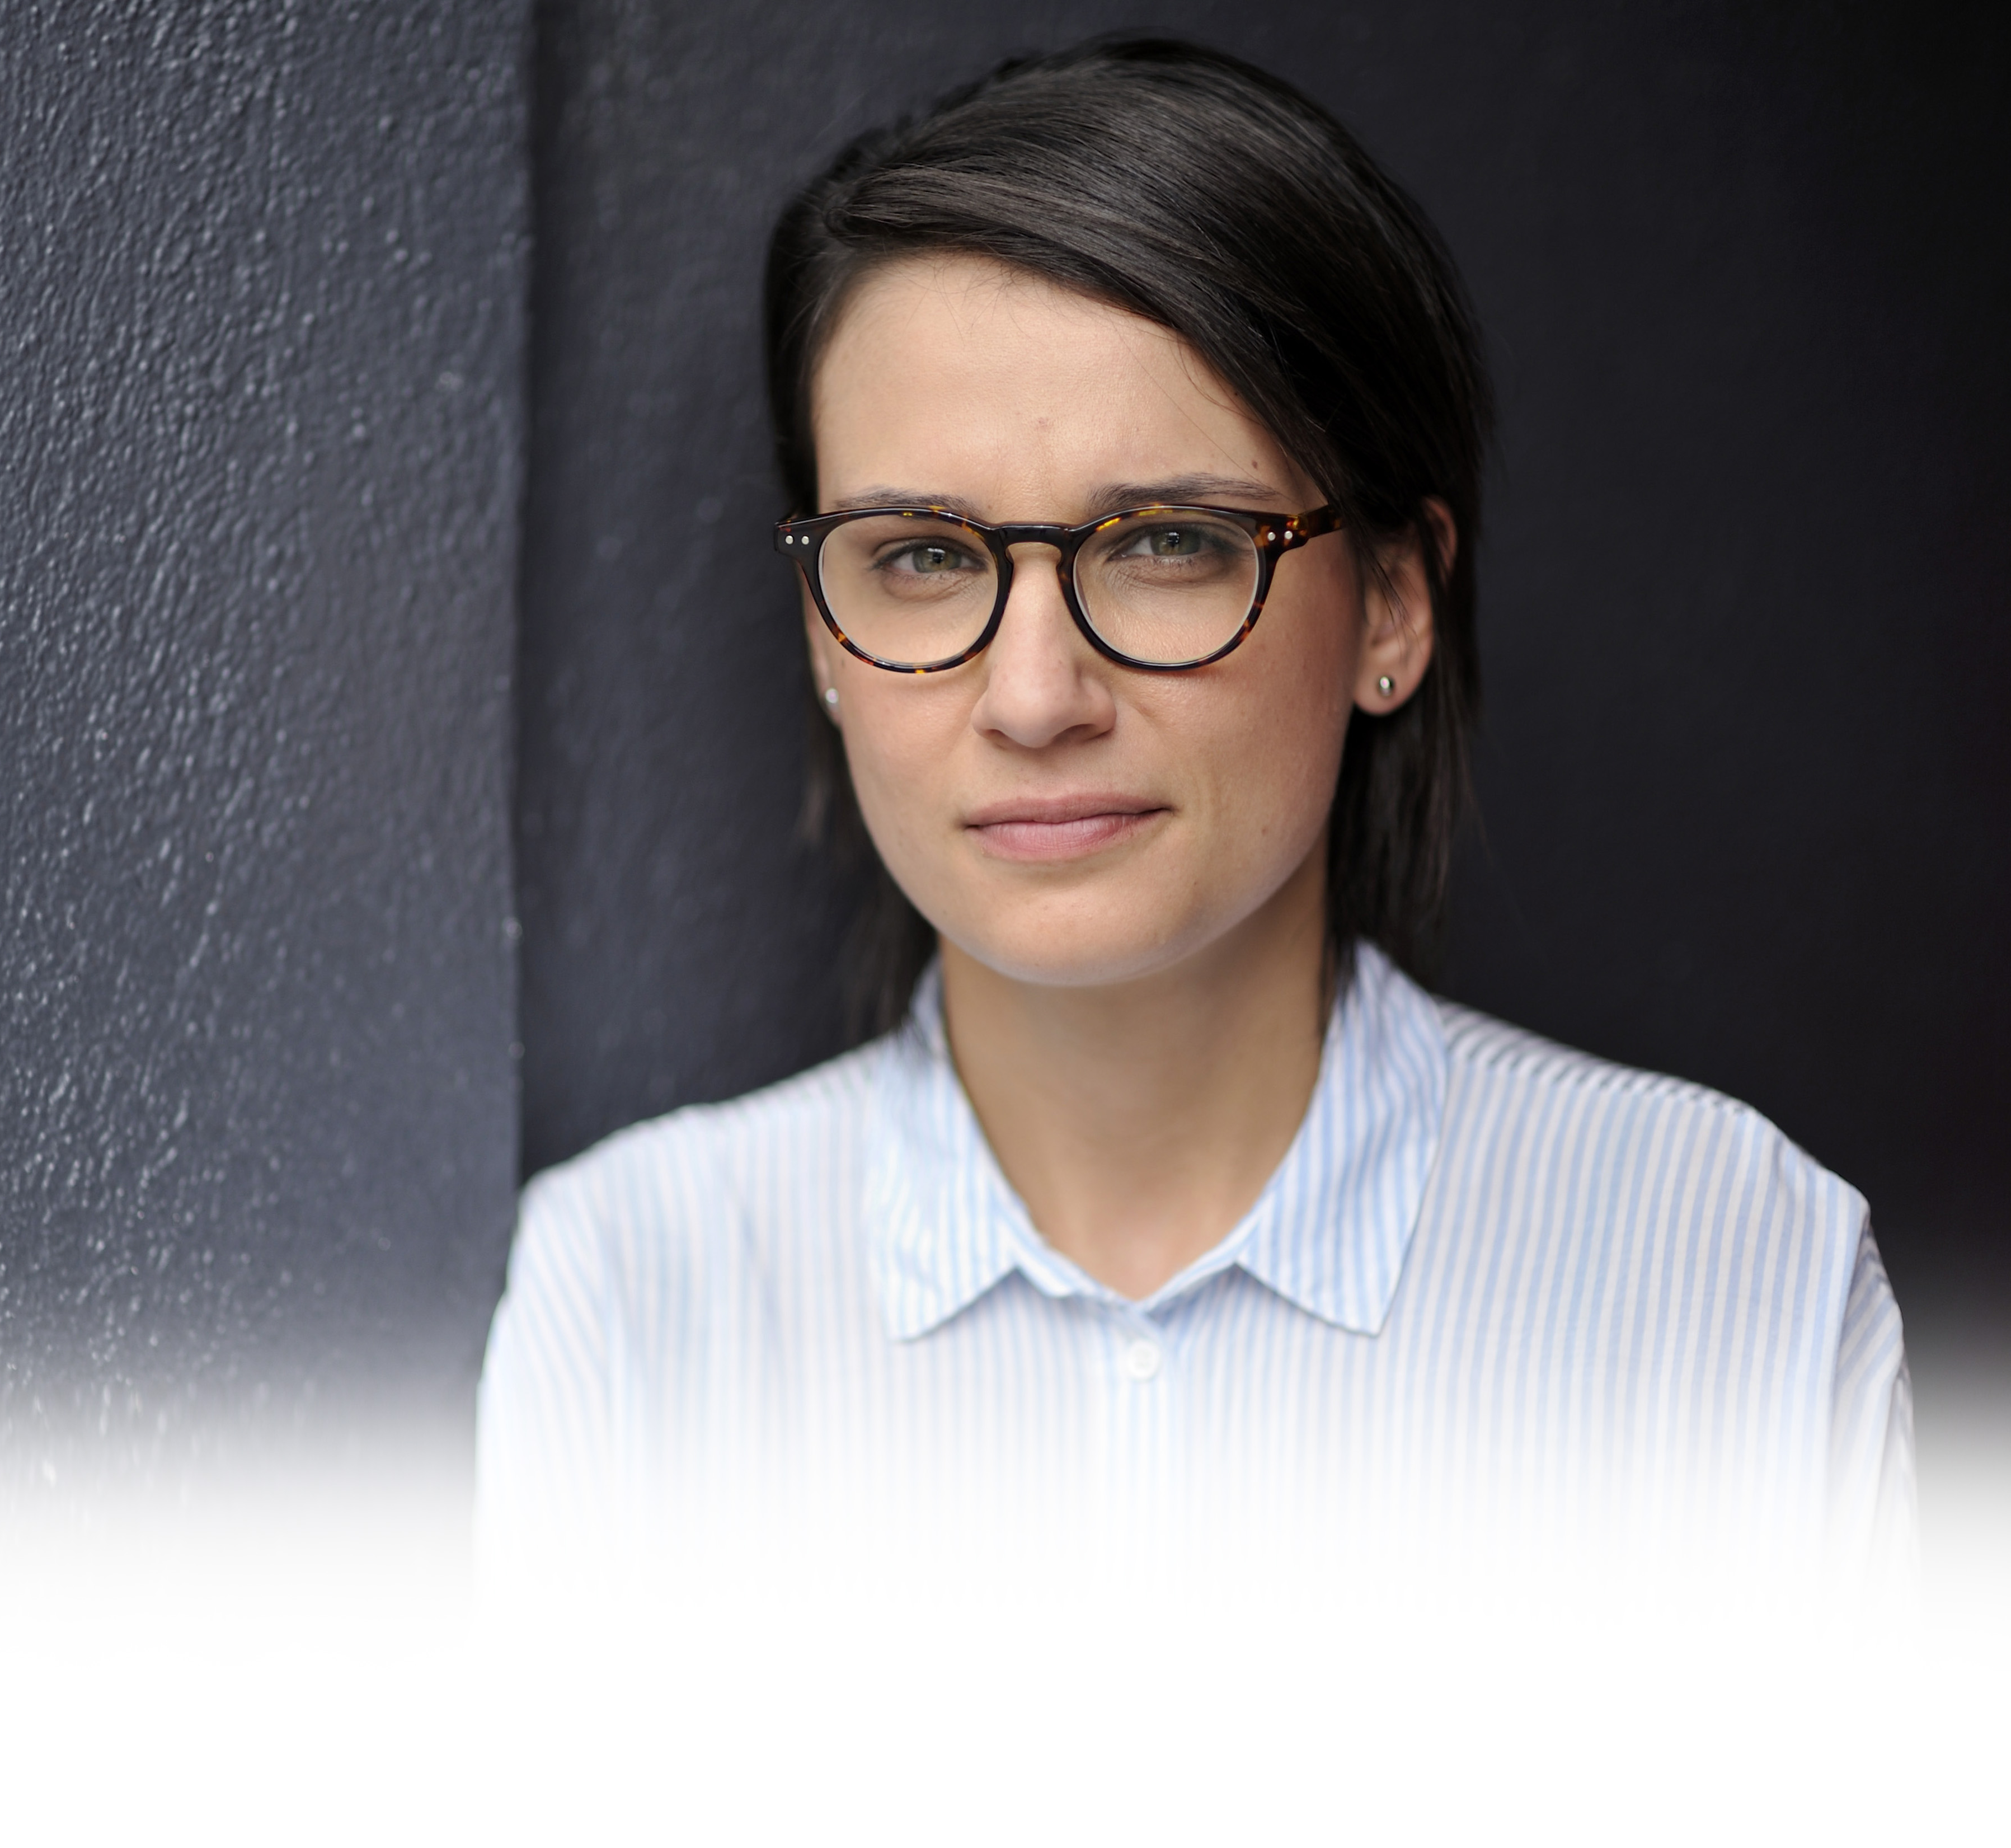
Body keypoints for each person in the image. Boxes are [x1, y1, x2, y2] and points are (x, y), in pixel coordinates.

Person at [477, 39, 1911, 1599]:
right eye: (923, 559)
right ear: (825, 633)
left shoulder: (1730, 1273)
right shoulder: (637, 1301)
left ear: (1393, 601)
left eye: (1167, 542)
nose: (1036, 697)